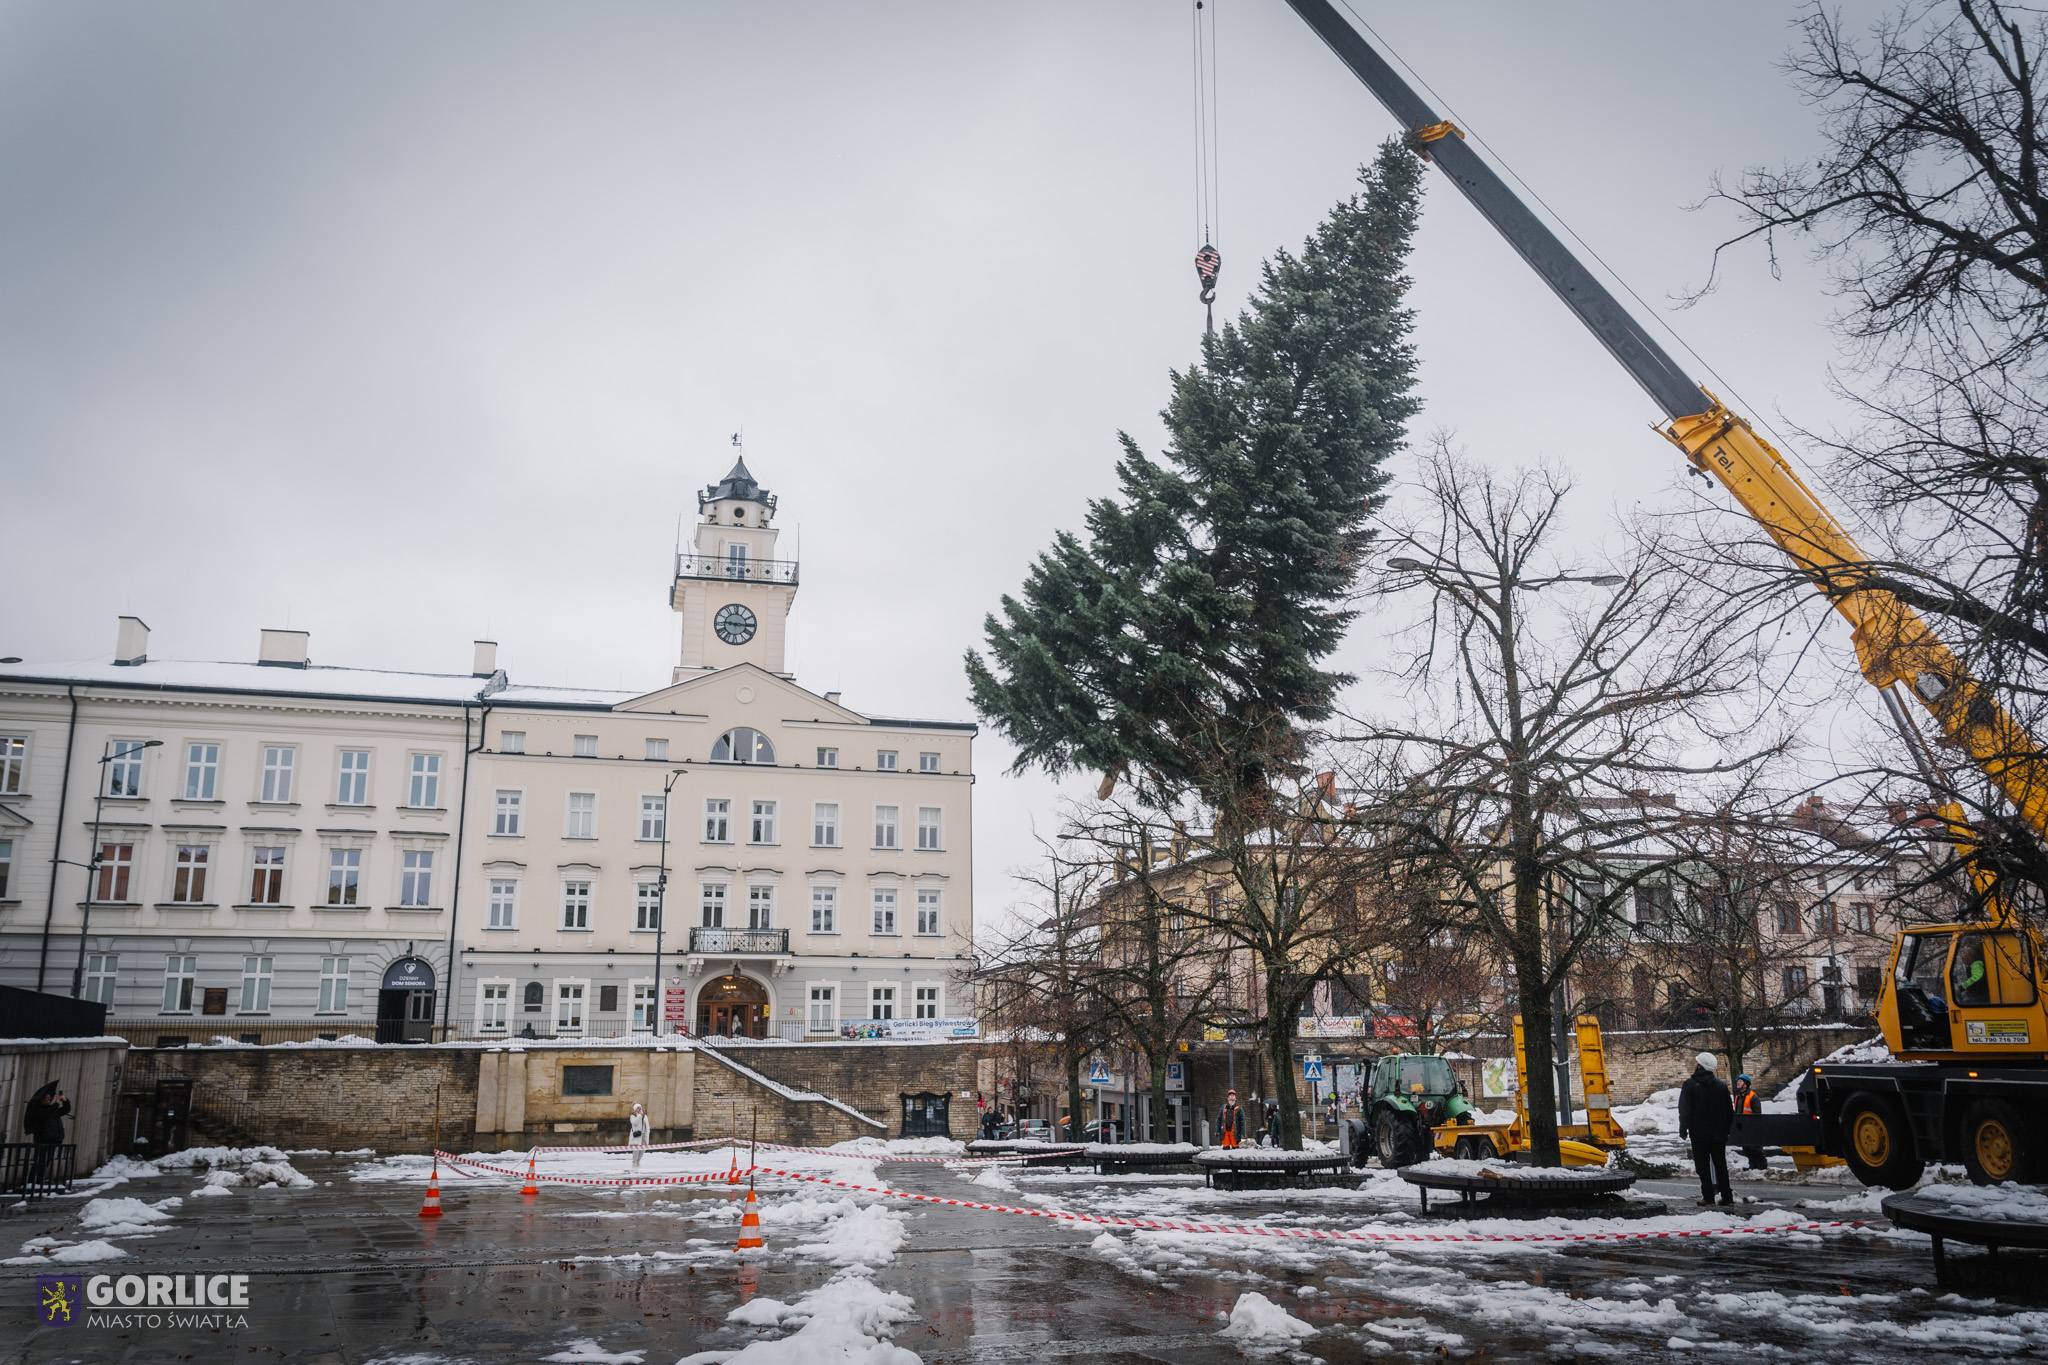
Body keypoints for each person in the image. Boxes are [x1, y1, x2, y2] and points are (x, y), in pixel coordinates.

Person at [1677, 1052, 1734, 1206]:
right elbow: (1730, 1111)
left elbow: (1685, 1110)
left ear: (1700, 1066)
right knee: (1720, 1164)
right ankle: (1728, 1197)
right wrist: (1727, 1129)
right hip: (1719, 1133)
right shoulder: (1721, 1086)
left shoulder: (1690, 1085)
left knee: (1702, 1166)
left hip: (1699, 1133)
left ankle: (1708, 1197)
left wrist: (1683, 1129)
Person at [23, 1080, 69, 1190]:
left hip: (53, 1139)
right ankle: (33, 1181)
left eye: (49, 1099)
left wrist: (65, 1101)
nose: (48, 1101)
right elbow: (46, 1115)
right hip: (43, 1139)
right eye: (46, 1099)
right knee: (40, 1160)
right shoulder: (39, 1110)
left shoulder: (52, 1109)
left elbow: (66, 1110)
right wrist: (56, 1104)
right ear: (41, 1100)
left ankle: (39, 1180)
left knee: (47, 1161)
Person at [1732, 1074, 1767, 1172]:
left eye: (1740, 1081)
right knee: (1746, 1148)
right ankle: (1753, 1165)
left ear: (1746, 1084)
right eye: (1737, 1081)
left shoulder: (1752, 1097)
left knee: (1755, 1147)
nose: (1737, 1082)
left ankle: (1762, 1165)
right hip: (1742, 1126)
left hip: (1751, 1126)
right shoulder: (1737, 1096)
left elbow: (1757, 1113)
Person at [628, 1102, 651, 1170]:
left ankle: (638, 1161)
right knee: (636, 1150)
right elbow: (634, 1123)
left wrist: (648, 1132)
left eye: (640, 1108)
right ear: (635, 1110)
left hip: (644, 1134)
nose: (639, 1109)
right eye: (637, 1108)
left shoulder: (644, 1116)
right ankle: (634, 1162)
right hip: (637, 1135)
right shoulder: (633, 1116)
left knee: (643, 1149)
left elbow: (647, 1125)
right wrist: (639, 1116)